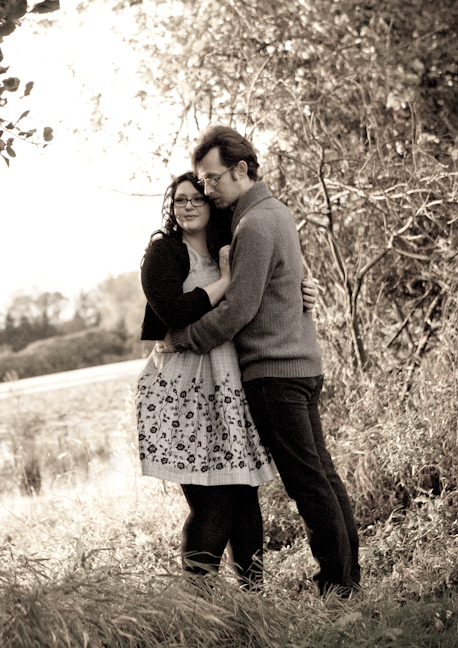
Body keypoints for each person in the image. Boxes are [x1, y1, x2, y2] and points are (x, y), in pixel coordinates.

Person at [166, 125, 360, 597]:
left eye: (213, 179)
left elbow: (239, 308)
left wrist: (185, 338)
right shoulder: (276, 213)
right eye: (202, 181)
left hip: (275, 373)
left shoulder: (253, 225)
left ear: (241, 169)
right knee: (323, 480)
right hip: (300, 366)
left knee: (309, 486)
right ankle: (347, 584)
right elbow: (286, 285)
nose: (208, 189)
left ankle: (338, 588)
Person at [136, 171, 315, 586]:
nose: (188, 206)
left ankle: (253, 600)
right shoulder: (163, 253)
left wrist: (306, 291)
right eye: (179, 200)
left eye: (197, 197)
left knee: (244, 495)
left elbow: (273, 282)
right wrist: (225, 283)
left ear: (210, 203)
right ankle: (197, 603)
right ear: (172, 207)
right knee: (212, 501)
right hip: (182, 392)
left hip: (231, 385)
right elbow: (173, 312)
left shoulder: (232, 244)